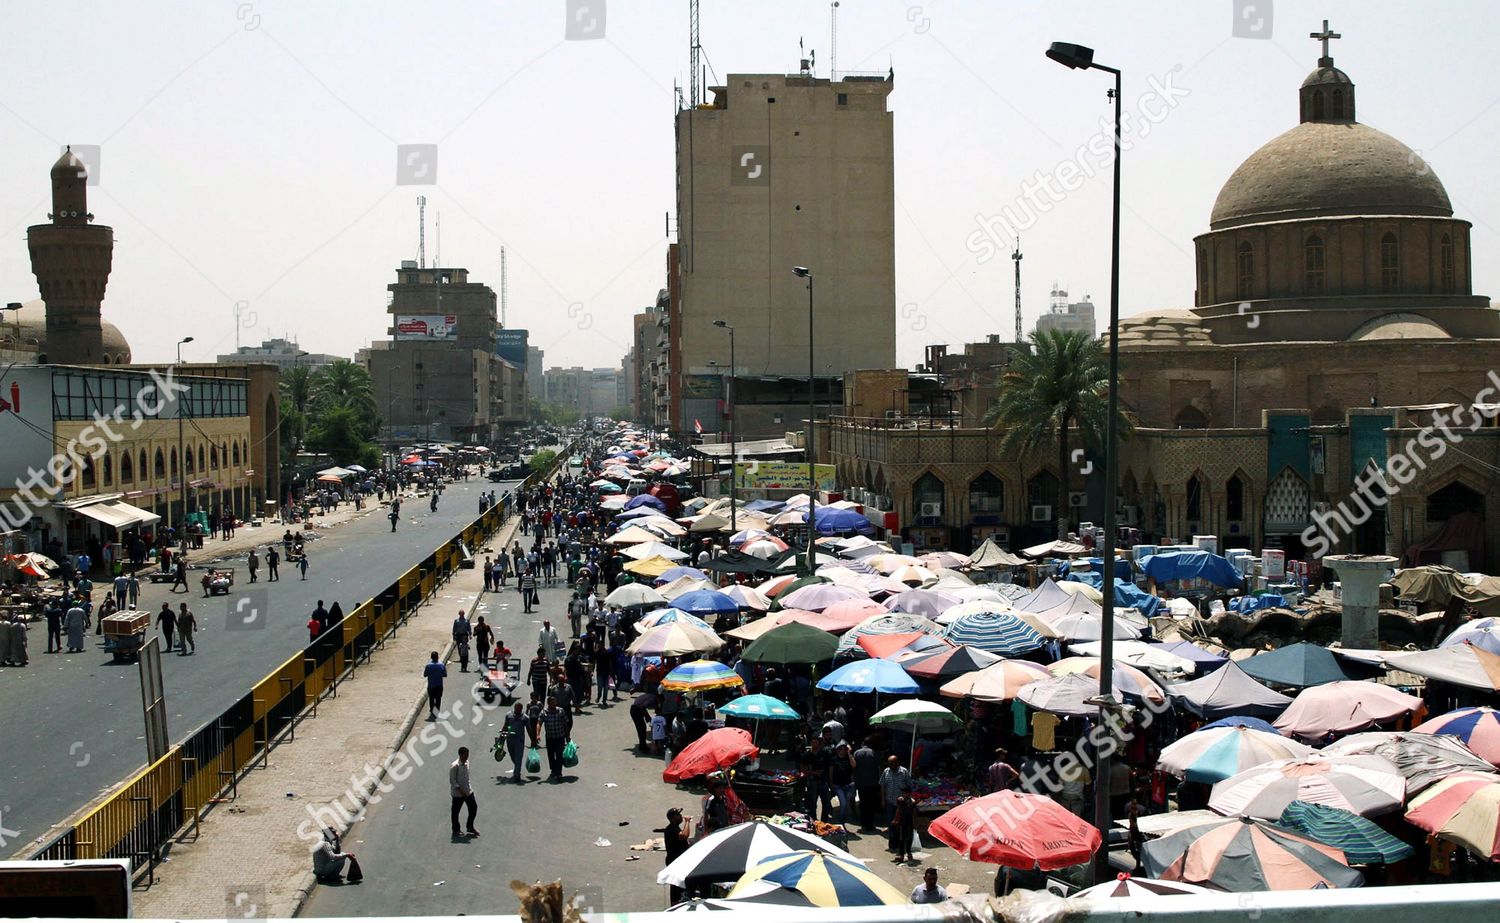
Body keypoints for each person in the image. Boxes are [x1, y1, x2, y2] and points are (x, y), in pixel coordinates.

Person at [658, 808, 690, 905]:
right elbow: (684, 835)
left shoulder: (674, 828)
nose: (680, 816)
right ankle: (676, 903)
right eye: (678, 815)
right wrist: (687, 822)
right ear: (672, 818)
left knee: (678, 884)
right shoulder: (672, 829)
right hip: (675, 861)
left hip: (676, 860)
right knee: (677, 884)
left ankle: (676, 901)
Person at [539, 694, 572, 781]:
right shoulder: (544, 713)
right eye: (552, 703)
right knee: (550, 755)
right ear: (548, 703)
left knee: (559, 755)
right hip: (549, 738)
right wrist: (537, 734)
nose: (554, 704)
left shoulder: (560, 711)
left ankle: (559, 773)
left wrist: (567, 736)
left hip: (559, 737)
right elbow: (539, 723)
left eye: (555, 702)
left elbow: (565, 724)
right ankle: (553, 770)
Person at [853, 737, 882, 832]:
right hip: (872, 783)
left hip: (861, 783)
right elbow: (878, 769)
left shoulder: (857, 753)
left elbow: (854, 767)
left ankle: (863, 823)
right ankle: (870, 824)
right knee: (871, 804)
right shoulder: (874, 753)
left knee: (862, 803)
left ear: (863, 743)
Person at [449, 747, 478, 838]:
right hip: (458, 794)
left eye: (468, 755)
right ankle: (456, 830)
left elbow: (466, 777)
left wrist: (468, 789)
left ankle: (470, 826)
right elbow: (453, 781)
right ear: (461, 755)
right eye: (466, 755)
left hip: (468, 791)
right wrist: (461, 791)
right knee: (455, 812)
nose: (467, 757)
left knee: (473, 807)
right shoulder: (455, 766)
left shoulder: (467, 763)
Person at [499, 702, 529, 783]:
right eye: (516, 708)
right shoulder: (509, 716)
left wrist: (533, 740)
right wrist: (501, 738)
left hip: (519, 740)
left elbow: (529, 729)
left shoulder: (525, 717)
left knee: (518, 757)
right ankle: (517, 767)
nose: (517, 710)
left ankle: (517, 775)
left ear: (521, 709)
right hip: (510, 739)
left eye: (519, 709)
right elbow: (505, 726)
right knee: (513, 755)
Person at [879, 755, 910, 826]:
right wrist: (883, 800)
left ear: (897, 763)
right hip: (890, 801)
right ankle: (892, 836)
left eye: (891, 763)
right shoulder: (886, 771)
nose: (890, 765)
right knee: (891, 823)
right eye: (889, 764)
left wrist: (906, 798)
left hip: (901, 803)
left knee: (901, 823)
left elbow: (909, 786)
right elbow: (882, 786)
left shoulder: (904, 772)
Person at [891, 785, 916, 863]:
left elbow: (914, 813)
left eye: (905, 793)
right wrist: (896, 820)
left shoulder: (912, 802)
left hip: (909, 822)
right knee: (901, 839)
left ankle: (908, 853)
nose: (904, 794)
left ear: (909, 793)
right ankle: (901, 854)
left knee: (909, 838)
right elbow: (898, 810)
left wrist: (915, 823)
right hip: (901, 822)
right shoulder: (900, 800)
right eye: (903, 793)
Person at [424, 651, 447, 720]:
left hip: (431, 685)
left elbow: (425, 675)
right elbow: (445, 675)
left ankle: (432, 709)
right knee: (438, 699)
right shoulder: (441, 665)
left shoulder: (428, 666)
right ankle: (436, 711)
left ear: (431, 657)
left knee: (431, 698)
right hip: (439, 685)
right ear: (437, 657)